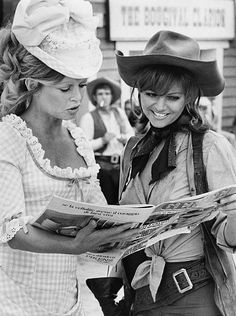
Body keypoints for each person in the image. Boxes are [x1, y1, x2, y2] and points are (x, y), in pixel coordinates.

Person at [0, 0, 140, 315]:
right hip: (11, 296)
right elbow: (11, 231)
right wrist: (74, 246)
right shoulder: (7, 137)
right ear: (32, 83)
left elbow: (99, 211)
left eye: (82, 86)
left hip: (67, 299)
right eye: (65, 89)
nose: (77, 98)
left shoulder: (78, 139)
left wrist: (124, 229)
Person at [86, 30, 236, 316]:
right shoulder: (134, 148)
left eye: (172, 97)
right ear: (138, 93)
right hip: (139, 294)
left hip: (194, 296)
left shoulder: (210, 146)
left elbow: (230, 237)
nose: (159, 106)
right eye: (150, 94)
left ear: (189, 97)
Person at [80, 77, 134, 204]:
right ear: (94, 97)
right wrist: (102, 140)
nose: (104, 97)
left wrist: (124, 138)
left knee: (123, 203)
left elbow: (131, 134)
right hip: (102, 168)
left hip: (121, 167)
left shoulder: (119, 113)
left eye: (107, 93)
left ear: (111, 96)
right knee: (107, 204)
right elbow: (83, 146)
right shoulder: (88, 117)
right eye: (100, 94)